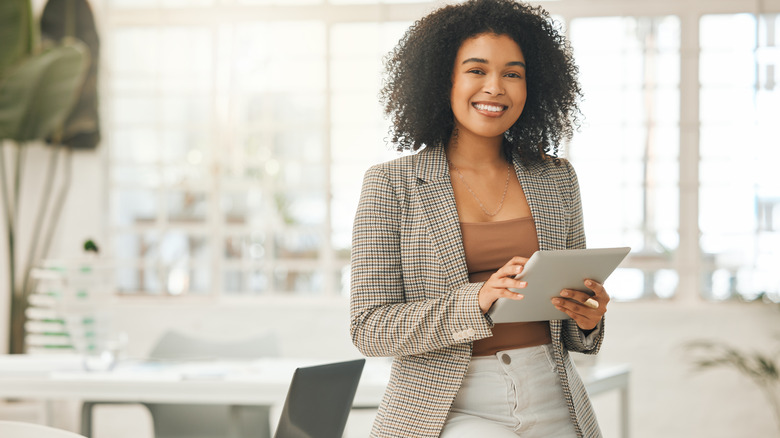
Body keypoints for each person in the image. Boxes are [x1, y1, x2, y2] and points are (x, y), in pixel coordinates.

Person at [350, 1, 609, 437]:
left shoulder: (557, 177)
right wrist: (478, 299)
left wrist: (587, 318)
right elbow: (369, 327)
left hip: (552, 396)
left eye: (512, 73)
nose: (495, 87)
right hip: (448, 408)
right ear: (443, 79)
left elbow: (570, 319)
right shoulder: (391, 184)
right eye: (476, 70)